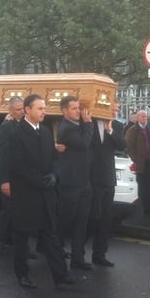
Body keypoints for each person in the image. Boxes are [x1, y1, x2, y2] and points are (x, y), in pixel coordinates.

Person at [8, 94, 74, 289]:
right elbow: (18, 166)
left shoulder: (45, 132)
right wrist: (40, 181)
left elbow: (55, 158)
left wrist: (54, 175)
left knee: (50, 234)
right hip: (26, 194)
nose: (44, 112)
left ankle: (60, 274)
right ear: (27, 110)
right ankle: (22, 274)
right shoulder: (16, 134)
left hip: (46, 193)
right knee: (22, 236)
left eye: (44, 108)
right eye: (40, 108)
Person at [56, 96, 94, 270]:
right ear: (65, 111)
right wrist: (88, 124)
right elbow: (84, 144)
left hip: (84, 181)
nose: (78, 111)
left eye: (79, 107)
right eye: (74, 108)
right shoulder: (66, 128)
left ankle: (78, 258)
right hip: (71, 182)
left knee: (82, 221)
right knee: (65, 220)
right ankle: (55, 252)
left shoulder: (79, 126)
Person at [89, 101, 125, 267]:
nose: (115, 113)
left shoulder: (116, 126)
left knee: (105, 218)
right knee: (91, 217)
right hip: (91, 177)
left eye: (117, 110)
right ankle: (77, 254)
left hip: (108, 178)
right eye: (112, 109)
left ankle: (99, 254)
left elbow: (122, 145)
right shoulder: (89, 122)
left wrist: (110, 130)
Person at [0, 97, 24, 248]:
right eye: (18, 109)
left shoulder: (22, 124)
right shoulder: (7, 126)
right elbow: (3, 154)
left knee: (18, 211)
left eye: (23, 108)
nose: (22, 112)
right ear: (10, 110)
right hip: (10, 176)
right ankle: (0, 240)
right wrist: (4, 180)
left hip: (21, 176)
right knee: (8, 210)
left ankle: (14, 241)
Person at [125, 109, 150, 216]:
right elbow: (128, 147)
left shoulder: (148, 129)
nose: (144, 118)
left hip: (149, 161)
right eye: (142, 116)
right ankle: (144, 210)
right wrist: (136, 160)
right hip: (140, 163)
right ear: (137, 118)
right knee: (142, 187)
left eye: (146, 116)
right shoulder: (133, 130)